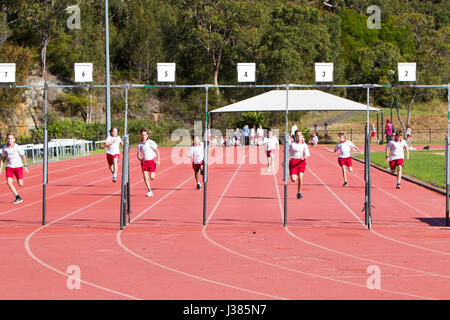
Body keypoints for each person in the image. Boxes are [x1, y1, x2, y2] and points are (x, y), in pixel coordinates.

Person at [0, 133, 29, 204]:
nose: (10, 140)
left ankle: (18, 178)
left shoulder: (17, 147)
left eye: (11, 138)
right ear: (6, 139)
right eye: (8, 138)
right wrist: (0, 167)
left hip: (18, 166)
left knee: (20, 184)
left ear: (14, 139)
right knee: (9, 182)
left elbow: (23, 156)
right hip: (9, 167)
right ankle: (18, 197)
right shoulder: (4, 147)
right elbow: (3, 158)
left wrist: (25, 166)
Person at [137, 128, 160, 197]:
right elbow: (138, 155)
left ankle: (152, 174)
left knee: (152, 177)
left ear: (147, 135)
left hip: (151, 161)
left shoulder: (151, 142)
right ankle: (149, 190)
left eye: (145, 135)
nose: (144, 136)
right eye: (142, 135)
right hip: (144, 162)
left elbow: (157, 151)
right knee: (145, 177)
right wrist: (140, 159)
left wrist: (158, 160)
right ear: (140, 135)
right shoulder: (140, 144)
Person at [289, 130, 310, 199]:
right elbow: (289, 154)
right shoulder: (292, 145)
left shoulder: (304, 145)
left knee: (301, 177)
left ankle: (299, 193)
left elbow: (307, 154)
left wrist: (304, 158)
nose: (299, 137)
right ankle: (293, 173)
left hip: (301, 162)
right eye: (297, 135)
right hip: (293, 162)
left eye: (300, 135)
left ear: (302, 136)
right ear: (295, 136)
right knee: (293, 179)